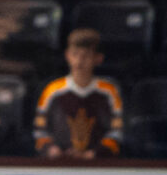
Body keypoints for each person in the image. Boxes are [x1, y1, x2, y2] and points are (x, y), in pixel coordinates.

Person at [36, 28, 125, 159]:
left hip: (99, 164)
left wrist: (94, 154)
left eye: (86, 56)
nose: (79, 61)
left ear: (98, 59)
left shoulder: (108, 92)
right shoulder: (53, 90)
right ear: (67, 55)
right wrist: (51, 149)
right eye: (75, 54)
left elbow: (116, 131)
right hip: (59, 162)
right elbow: (40, 130)